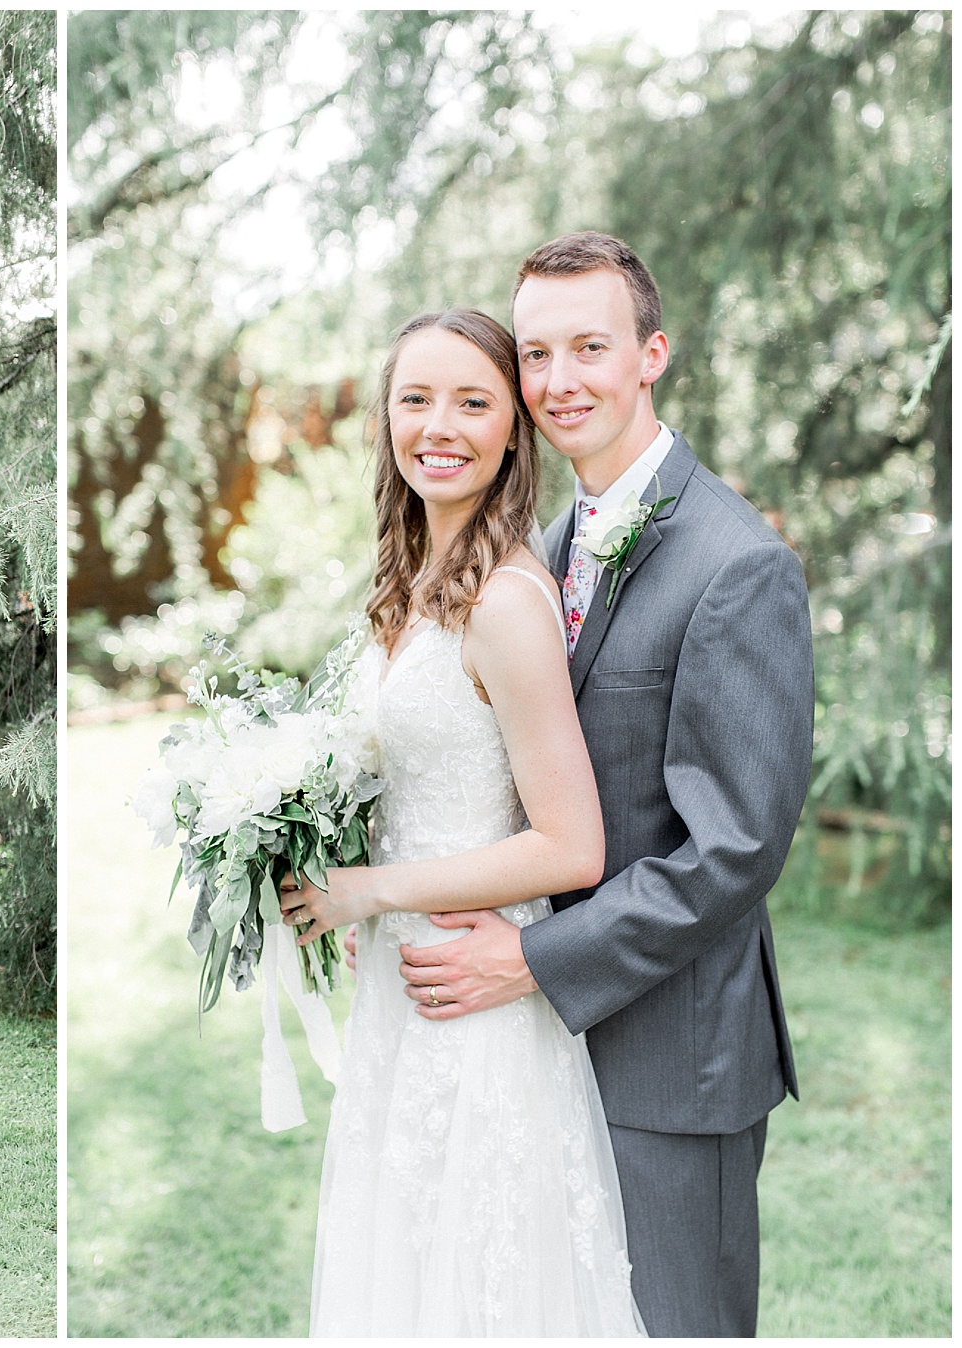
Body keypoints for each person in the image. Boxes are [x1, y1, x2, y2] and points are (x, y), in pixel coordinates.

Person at [377, 232, 812, 1337]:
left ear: (651, 353)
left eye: (590, 348)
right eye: (536, 355)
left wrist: (530, 953)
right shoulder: (545, 549)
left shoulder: (735, 562)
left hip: (670, 1059)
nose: (560, 381)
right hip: (529, 1057)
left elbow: (734, 849)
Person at [277, 308, 645, 1335]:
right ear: (387, 420)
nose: (441, 425)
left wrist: (370, 890)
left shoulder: (509, 602)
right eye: (417, 398)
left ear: (513, 433)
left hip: (477, 1001)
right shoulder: (408, 588)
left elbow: (572, 844)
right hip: (402, 992)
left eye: (474, 401)